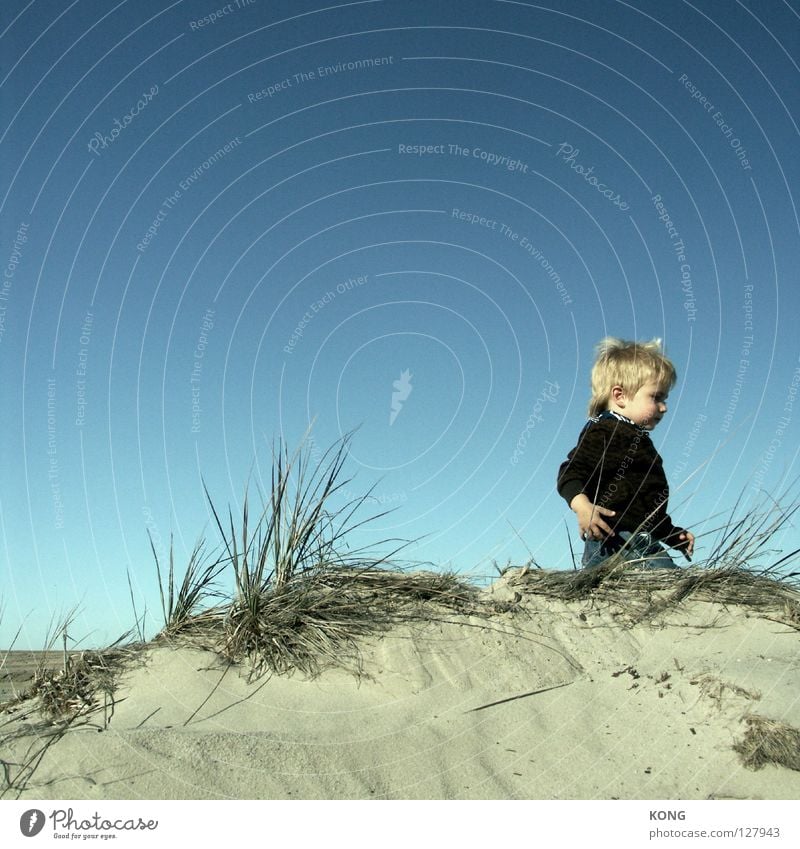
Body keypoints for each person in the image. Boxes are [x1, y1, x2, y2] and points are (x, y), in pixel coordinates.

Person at [557, 337, 694, 569]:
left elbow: (644, 503)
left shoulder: (639, 440)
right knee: (672, 591)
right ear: (620, 395)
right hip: (613, 540)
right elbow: (570, 472)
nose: (664, 407)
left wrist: (671, 535)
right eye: (656, 397)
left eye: (664, 398)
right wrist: (583, 507)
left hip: (642, 541)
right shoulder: (604, 430)